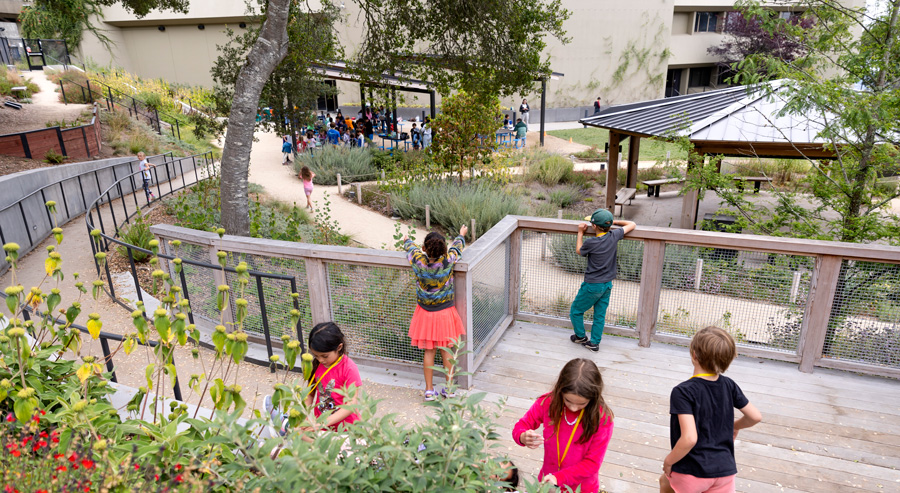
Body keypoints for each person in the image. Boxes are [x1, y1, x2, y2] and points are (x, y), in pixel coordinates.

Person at [660, 327, 762, 493]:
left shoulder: (683, 391)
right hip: (725, 472)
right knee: (665, 482)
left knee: (666, 484)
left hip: (691, 471)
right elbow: (755, 416)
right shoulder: (729, 385)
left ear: (694, 355)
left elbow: (690, 438)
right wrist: (735, 426)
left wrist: (669, 461)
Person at [513, 358, 614, 493]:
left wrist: (559, 478)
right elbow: (522, 425)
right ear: (560, 389)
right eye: (568, 400)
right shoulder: (548, 402)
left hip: (581, 488)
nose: (573, 408)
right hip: (547, 485)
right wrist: (522, 436)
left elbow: (592, 463)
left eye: (582, 404)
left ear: (593, 398)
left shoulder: (602, 418)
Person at [403, 225, 468, 401]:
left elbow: (410, 247)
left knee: (429, 352)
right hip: (445, 313)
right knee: (447, 350)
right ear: (444, 250)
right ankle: (449, 389)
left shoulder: (418, 260)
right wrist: (461, 235)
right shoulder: (448, 261)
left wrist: (406, 239)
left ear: (424, 248)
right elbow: (457, 248)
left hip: (425, 313)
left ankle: (429, 390)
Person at [265, 322, 362, 435]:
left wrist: (323, 422)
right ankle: (286, 426)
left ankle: (285, 426)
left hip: (346, 430)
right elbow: (310, 394)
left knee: (305, 438)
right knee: (299, 432)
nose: (320, 360)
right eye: (316, 355)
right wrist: (304, 414)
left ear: (339, 347)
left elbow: (351, 404)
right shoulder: (317, 366)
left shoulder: (349, 368)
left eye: (325, 356)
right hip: (321, 427)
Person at [570, 209, 636, 352]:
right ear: (609, 226)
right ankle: (594, 343)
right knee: (599, 314)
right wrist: (614, 222)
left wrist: (580, 232)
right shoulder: (614, 235)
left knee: (575, 310)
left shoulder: (592, 242)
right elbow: (632, 224)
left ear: (593, 226)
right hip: (607, 285)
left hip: (592, 285)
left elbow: (579, 251)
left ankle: (580, 336)